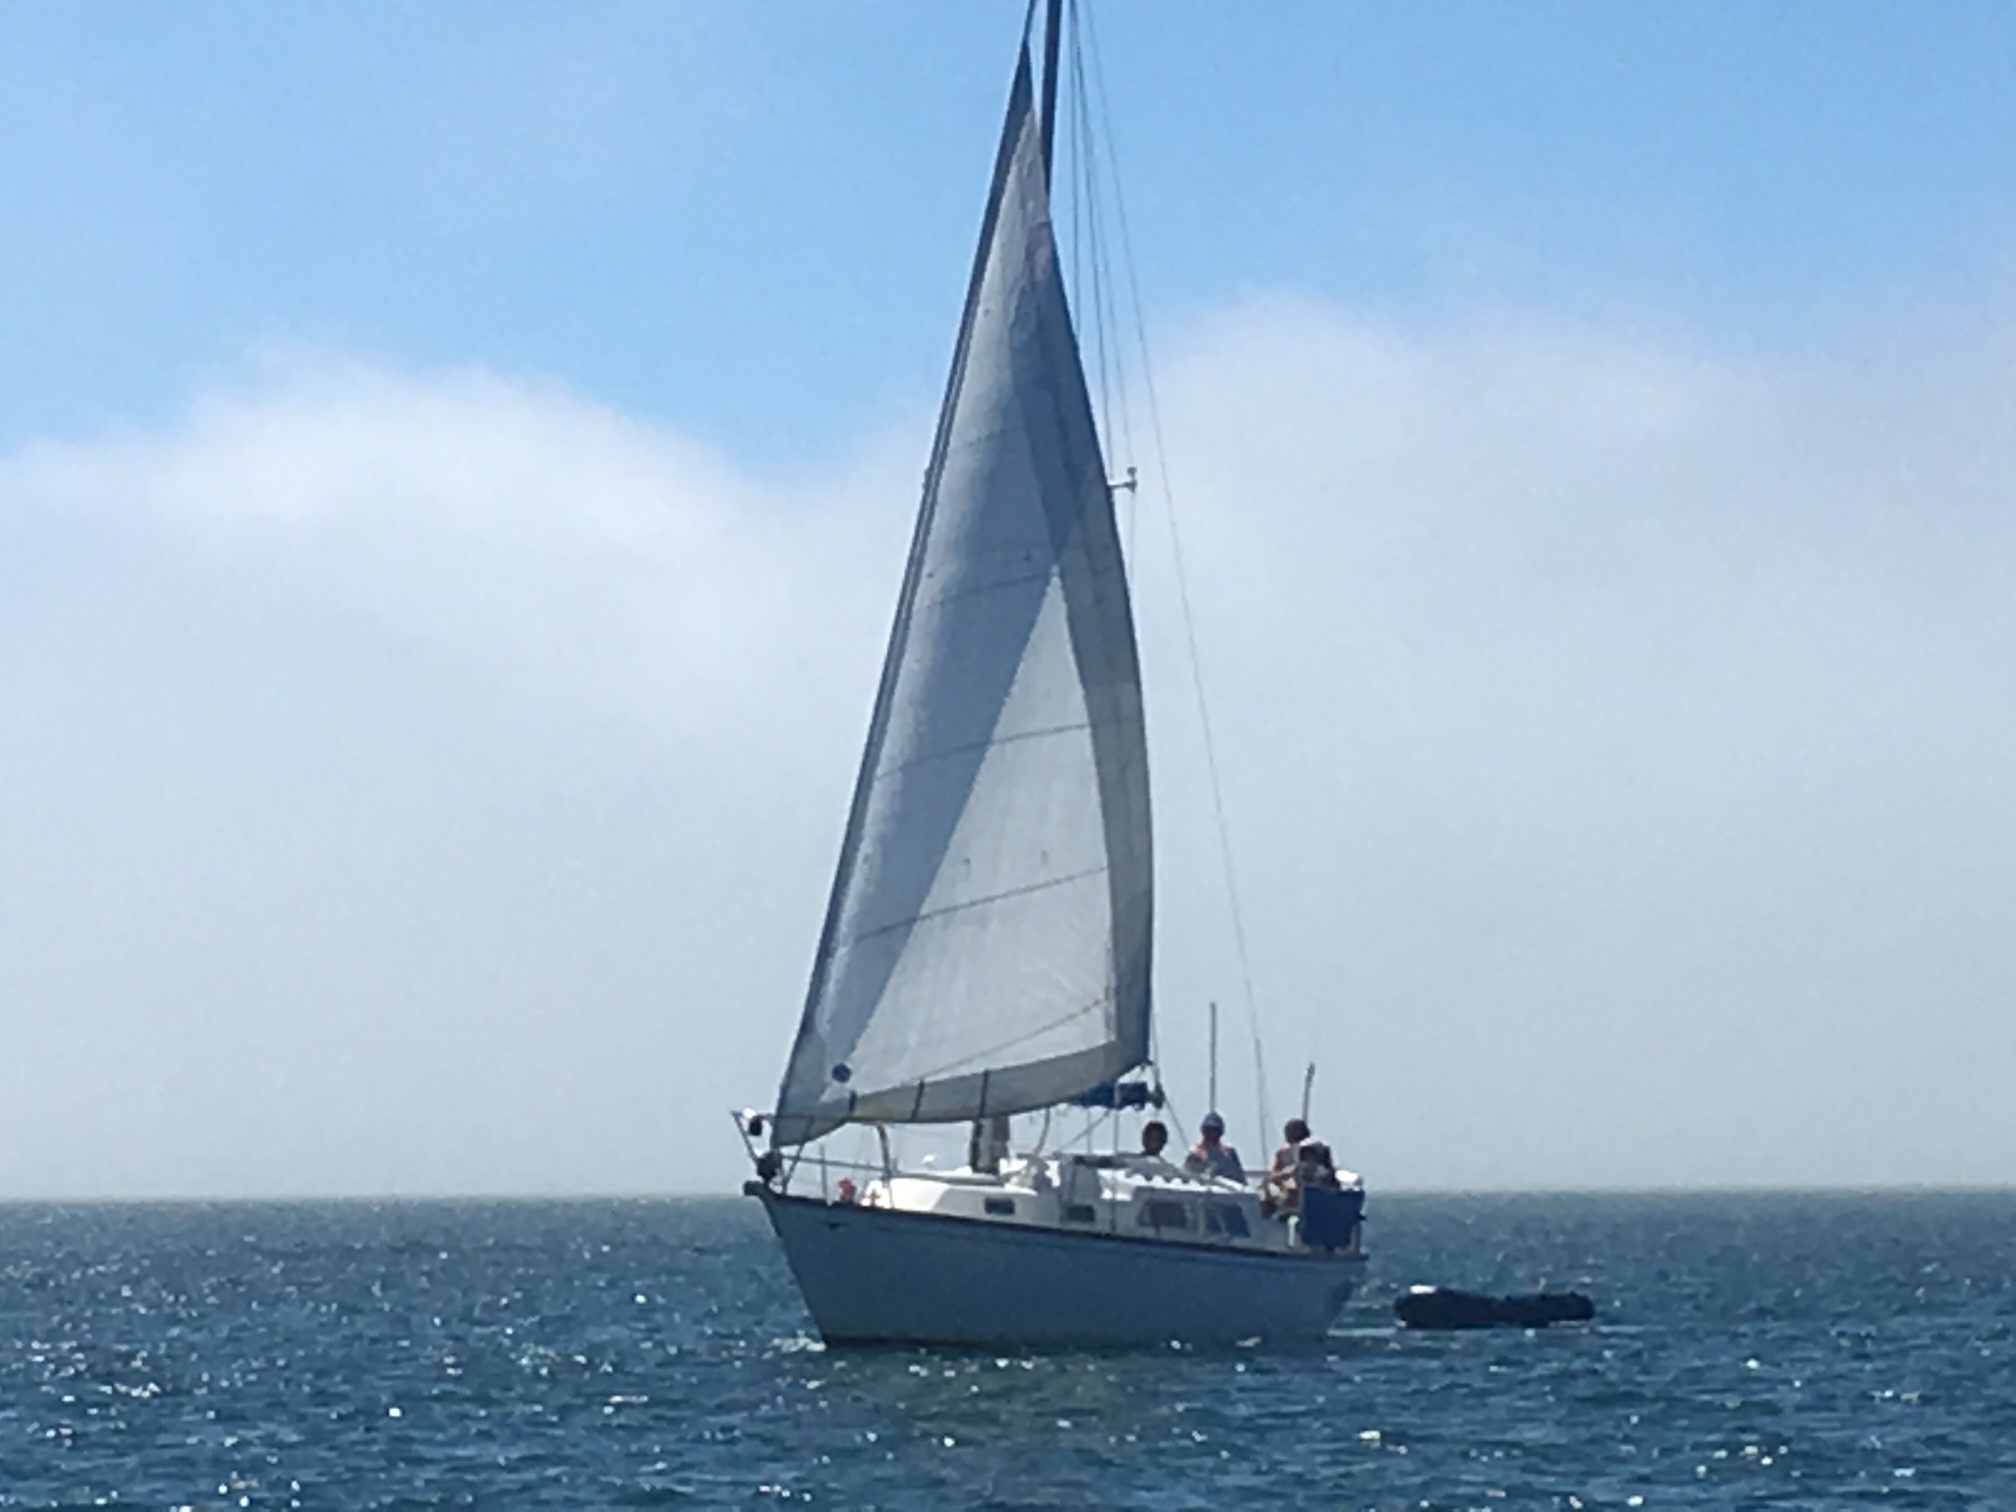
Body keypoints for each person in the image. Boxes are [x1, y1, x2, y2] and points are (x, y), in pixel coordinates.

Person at [1185, 1112, 1245, 1182]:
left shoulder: (1229, 1153)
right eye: (1209, 1130)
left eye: (1215, 1131)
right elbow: (1188, 1177)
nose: (1212, 1134)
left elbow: (1240, 1178)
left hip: (1227, 1189)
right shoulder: (1195, 1153)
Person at [1270, 1118, 1312, 1182]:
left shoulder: (1313, 1149)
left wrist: (1282, 1174)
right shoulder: (1283, 1153)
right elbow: (1273, 1171)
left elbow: (1301, 1167)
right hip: (1294, 1188)